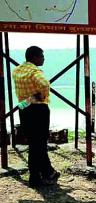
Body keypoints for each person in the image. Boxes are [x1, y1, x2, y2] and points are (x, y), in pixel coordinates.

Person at [12, 46, 60, 187]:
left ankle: (47, 172)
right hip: (38, 109)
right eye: (41, 56)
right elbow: (45, 84)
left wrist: (28, 99)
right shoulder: (35, 71)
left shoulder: (17, 71)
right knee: (39, 144)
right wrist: (40, 96)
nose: (43, 58)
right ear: (34, 57)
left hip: (24, 108)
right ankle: (36, 177)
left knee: (34, 143)